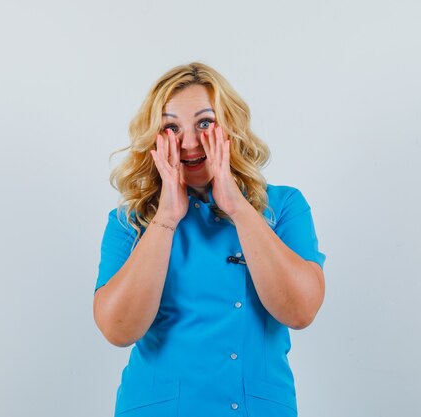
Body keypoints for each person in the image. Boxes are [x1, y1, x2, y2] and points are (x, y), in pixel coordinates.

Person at [93, 62, 326, 417]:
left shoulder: (284, 206)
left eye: (204, 123)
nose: (188, 142)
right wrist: (167, 218)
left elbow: (300, 311)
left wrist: (237, 206)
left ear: (229, 126)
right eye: (171, 127)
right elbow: (117, 329)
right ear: (155, 138)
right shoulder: (131, 221)